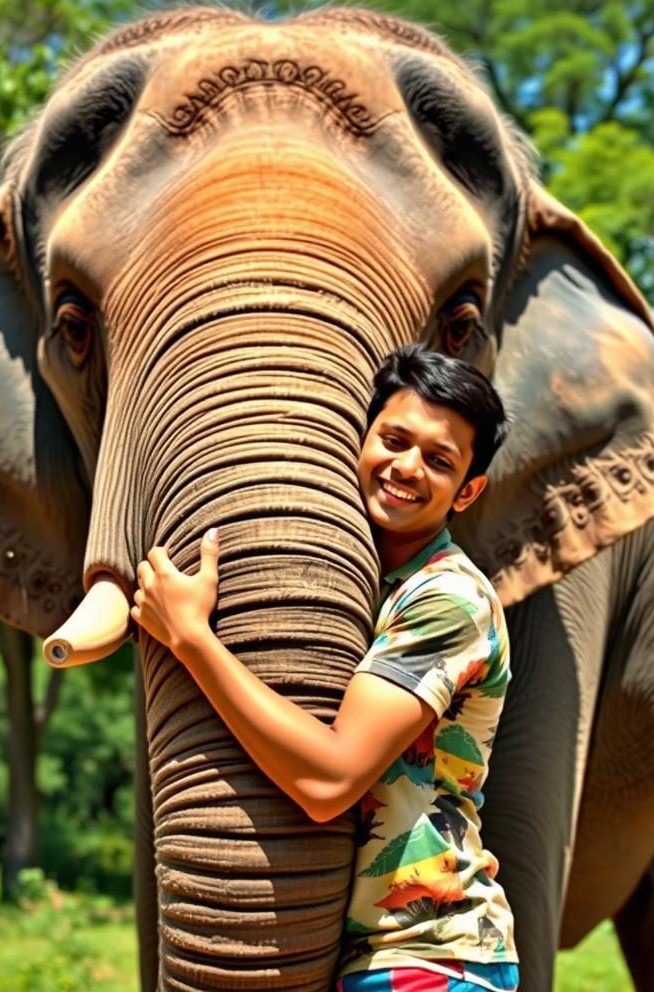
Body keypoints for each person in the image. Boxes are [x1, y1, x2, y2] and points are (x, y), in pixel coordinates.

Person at [132, 345, 519, 992]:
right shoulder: (376, 588)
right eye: (393, 440)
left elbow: (329, 779)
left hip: (429, 957)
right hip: (363, 957)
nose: (406, 467)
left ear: (467, 491)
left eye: (439, 460)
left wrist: (194, 639)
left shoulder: (448, 600)